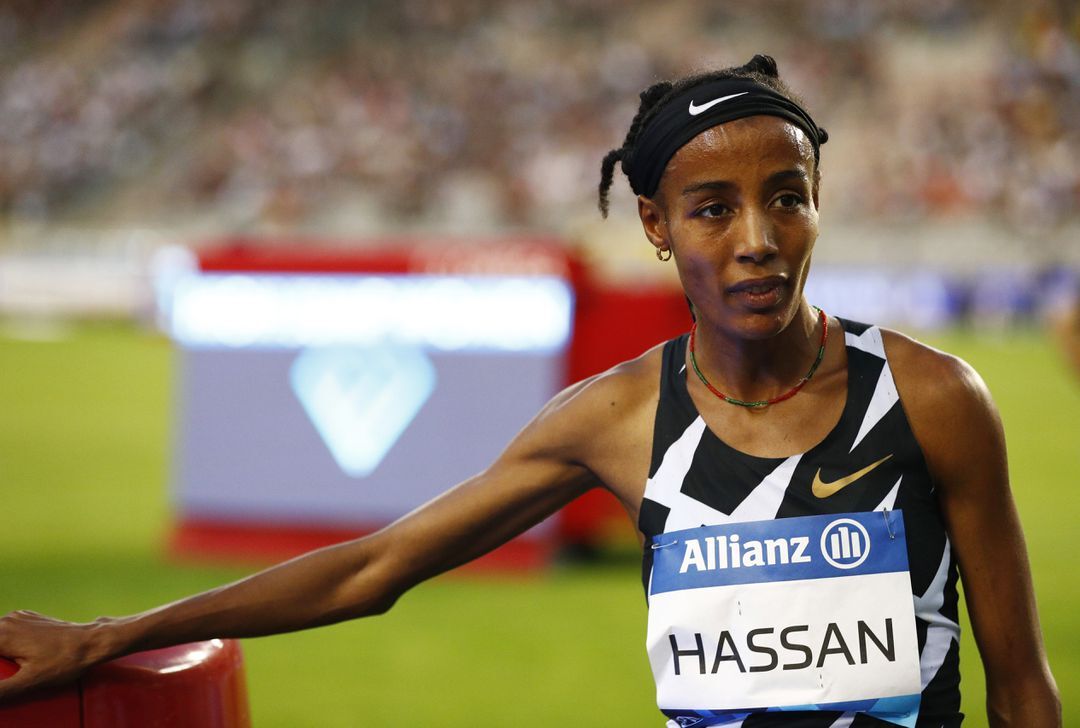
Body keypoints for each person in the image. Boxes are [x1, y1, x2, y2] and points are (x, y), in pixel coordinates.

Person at [0, 55, 1060, 727]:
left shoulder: (932, 397)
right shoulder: (613, 420)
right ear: (654, 224)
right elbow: (374, 567)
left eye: (788, 198)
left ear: (819, 204)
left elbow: (1022, 688)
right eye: (710, 209)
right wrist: (104, 636)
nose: (756, 240)